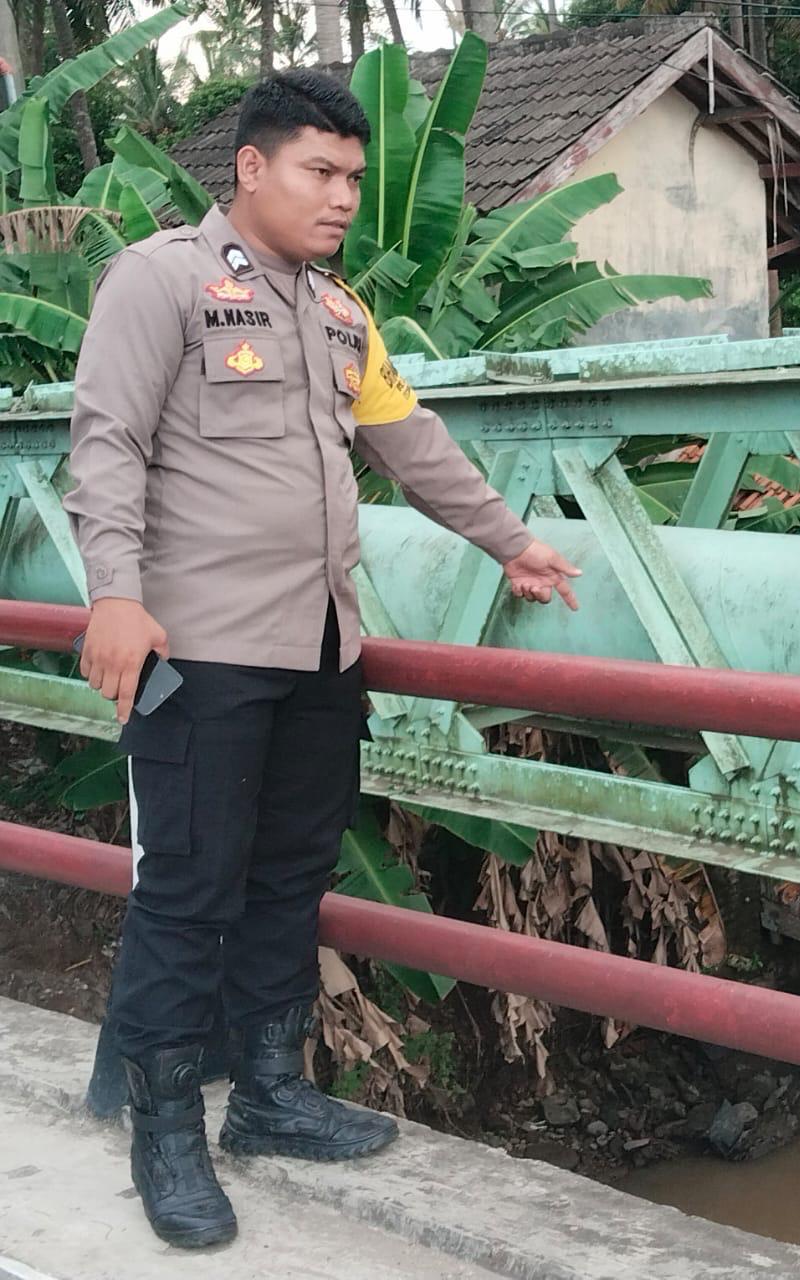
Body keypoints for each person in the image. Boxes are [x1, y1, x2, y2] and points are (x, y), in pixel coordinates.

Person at [63, 69, 581, 1250]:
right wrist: (114, 595)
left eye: (353, 175)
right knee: (189, 887)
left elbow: (408, 440)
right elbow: (106, 444)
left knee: (291, 876)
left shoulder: (341, 312)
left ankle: (269, 1093)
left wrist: (510, 541)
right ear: (251, 168)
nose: (343, 195)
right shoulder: (159, 280)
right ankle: (166, 1134)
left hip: (320, 649)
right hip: (202, 648)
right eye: (320, 171)